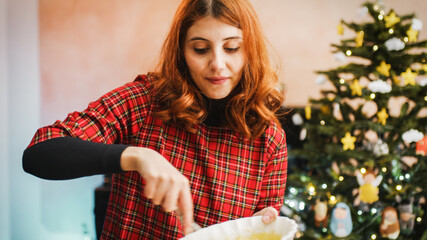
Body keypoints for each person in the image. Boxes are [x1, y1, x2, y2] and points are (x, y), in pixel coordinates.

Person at [22, 0, 288, 239]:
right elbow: (39, 153)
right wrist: (136, 156)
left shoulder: (269, 137)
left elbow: (263, 218)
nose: (217, 64)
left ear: (249, 51)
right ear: (182, 52)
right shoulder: (144, 101)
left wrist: (261, 226)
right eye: (200, 49)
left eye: (232, 48)